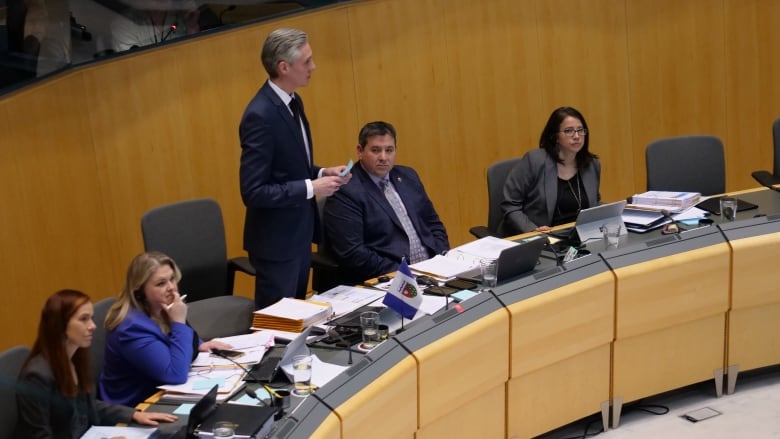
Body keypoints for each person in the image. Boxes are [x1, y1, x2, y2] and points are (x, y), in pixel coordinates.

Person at [239, 28, 351, 309]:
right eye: (307, 62)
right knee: (278, 329)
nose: (314, 67)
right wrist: (313, 187)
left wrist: (321, 173)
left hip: (299, 235)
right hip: (276, 245)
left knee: (298, 318)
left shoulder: (293, 101)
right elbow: (253, 191)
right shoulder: (259, 115)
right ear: (284, 67)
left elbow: (289, 168)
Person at [16, 289, 177, 438]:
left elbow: (86, 406)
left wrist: (135, 414)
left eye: (91, 318)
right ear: (60, 325)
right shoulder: (36, 376)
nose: (93, 326)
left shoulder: (75, 358)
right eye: (83, 319)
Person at [323, 121, 450, 284]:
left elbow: (433, 224)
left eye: (389, 150)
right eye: (376, 150)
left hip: (432, 270)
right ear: (360, 151)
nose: (383, 157)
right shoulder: (346, 191)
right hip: (390, 277)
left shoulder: (408, 176)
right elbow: (353, 253)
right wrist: (405, 274)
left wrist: (441, 258)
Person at [99, 252, 230, 407]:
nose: (171, 288)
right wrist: (179, 322)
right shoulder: (131, 328)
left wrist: (199, 344)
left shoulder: (162, 308)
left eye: (172, 279)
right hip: (136, 407)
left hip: (162, 393)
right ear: (140, 291)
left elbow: (174, 337)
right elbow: (175, 375)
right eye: (161, 283)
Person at [499, 107, 601, 235]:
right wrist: (531, 230)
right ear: (556, 137)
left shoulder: (591, 164)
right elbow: (510, 205)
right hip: (541, 237)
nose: (576, 136)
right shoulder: (534, 161)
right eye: (569, 131)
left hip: (579, 236)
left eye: (580, 130)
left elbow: (594, 202)